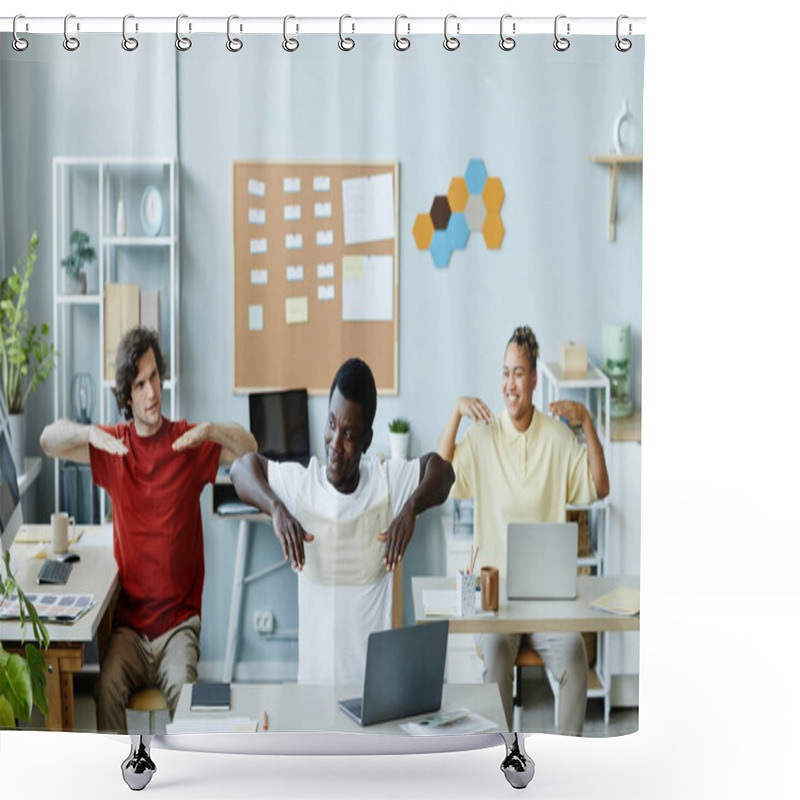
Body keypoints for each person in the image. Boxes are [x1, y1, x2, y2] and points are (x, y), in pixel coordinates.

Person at [39, 327, 257, 733]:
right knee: (105, 690)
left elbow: (250, 448)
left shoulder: (186, 441)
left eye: (154, 376)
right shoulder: (113, 446)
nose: (152, 392)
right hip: (130, 632)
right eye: (139, 384)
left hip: (178, 628)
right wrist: (89, 432)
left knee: (187, 701)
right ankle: (120, 787)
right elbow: (48, 441)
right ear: (127, 396)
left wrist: (209, 430)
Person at [230, 357, 454, 685]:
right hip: (313, 690)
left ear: (366, 440)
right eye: (332, 425)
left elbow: (443, 472)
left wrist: (410, 509)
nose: (335, 444)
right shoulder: (303, 486)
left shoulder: (387, 483)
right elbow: (240, 468)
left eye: (348, 434)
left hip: (372, 688)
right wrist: (276, 508)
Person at [436, 325, 610, 734]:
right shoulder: (482, 436)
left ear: (533, 379)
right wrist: (456, 412)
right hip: (496, 603)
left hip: (549, 601)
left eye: (518, 373)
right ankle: (500, 764)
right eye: (505, 373)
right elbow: (440, 480)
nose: (509, 384)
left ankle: (567, 762)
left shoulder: (557, 437)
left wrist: (585, 420)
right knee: (495, 658)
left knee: (574, 661)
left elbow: (601, 487)